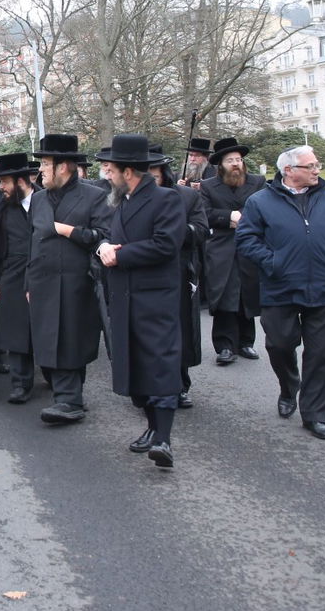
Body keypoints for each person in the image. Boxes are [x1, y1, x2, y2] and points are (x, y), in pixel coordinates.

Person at [236, 146, 325, 440]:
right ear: (288, 171)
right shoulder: (260, 202)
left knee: (321, 355)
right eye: (311, 165)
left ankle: (315, 415)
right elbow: (246, 239)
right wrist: (274, 262)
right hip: (280, 287)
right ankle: (289, 385)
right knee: (279, 345)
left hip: (324, 287)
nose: (317, 170)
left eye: (317, 164)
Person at [95, 133, 186, 469]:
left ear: (128, 171)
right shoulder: (124, 201)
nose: (107, 175)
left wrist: (121, 256)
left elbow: (166, 245)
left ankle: (164, 438)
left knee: (159, 364)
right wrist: (103, 248)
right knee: (136, 366)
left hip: (154, 298)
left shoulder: (165, 199)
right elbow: (112, 239)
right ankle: (151, 427)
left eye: (112, 170)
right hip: (124, 297)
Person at [26, 134, 111, 425]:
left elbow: (103, 237)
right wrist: (29, 282)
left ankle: (68, 400)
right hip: (43, 281)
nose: (41, 171)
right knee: (52, 340)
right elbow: (32, 243)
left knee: (72, 339)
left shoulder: (95, 195)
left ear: (64, 166)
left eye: (46, 164)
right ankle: (70, 396)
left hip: (78, 282)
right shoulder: (38, 199)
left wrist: (68, 230)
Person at [148, 145, 208, 408]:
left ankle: (180, 383)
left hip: (178, 272)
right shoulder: (125, 198)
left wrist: (174, 231)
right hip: (142, 274)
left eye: (153, 169)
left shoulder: (186, 197)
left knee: (179, 330)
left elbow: (201, 230)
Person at [199, 138, 266, 365]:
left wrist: (246, 219)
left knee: (246, 294)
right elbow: (204, 213)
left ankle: (246, 342)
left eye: (238, 159)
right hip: (221, 247)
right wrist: (228, 217)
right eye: (230, 160)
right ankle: (225, 345)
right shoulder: (208, 186)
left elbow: (266, 208)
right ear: (221, 165)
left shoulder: (257, 182)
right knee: (225, 294)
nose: (236, 164)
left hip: (250, 246)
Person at [0, 152, 40, 403]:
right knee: (16, 332)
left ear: (20, 181)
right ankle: (20, 384)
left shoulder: (46, 201)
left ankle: (56, 380)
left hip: (42, 274)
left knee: (45, 330)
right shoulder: (2, 207)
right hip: (12, 274)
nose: (1, 187)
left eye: (5, 182)